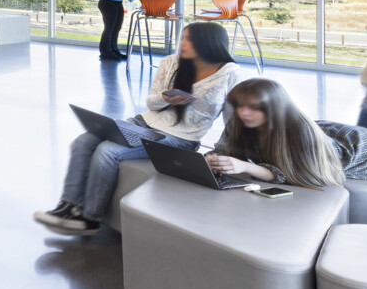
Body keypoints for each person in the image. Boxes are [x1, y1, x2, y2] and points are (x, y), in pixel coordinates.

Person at [34, 22, 241, 234]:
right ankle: (68, 205)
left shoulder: (230, 72)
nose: (182, 43)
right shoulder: (171, 62)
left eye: (189, 39)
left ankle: (89, 218)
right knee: (83, 141)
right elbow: (151, 103)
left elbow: (232, 119)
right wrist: (166, 98)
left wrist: (221, 154)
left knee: (108, 152)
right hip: (143, 122)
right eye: (183, 38)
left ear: (208, 43)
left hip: (181, 138)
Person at [210, 77, 367, 187]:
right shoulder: (240, 120)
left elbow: (309, 176)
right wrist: (212, 159)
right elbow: (222, 149)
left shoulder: (304, 136)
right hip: (332, 135)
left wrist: (248, 167)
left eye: (254, 107)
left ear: (273, 109)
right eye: (239, 105)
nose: (243, 112)